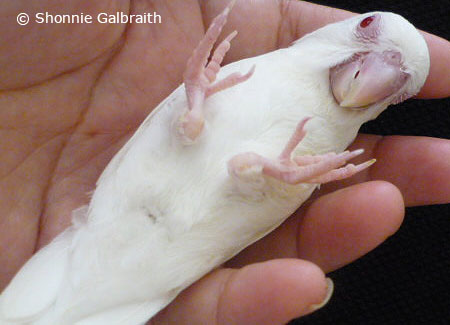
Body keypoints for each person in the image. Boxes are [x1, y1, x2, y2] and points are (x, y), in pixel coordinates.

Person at [0, 1, 448, 324]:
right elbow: (182, 133)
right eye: (368, 27)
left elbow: (239, 195)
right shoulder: (265, 69)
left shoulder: (329, 142)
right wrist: (194, 100)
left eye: (395, 90)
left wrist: (278, 174)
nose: (381, 71)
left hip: (167, 257)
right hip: (119, 213)